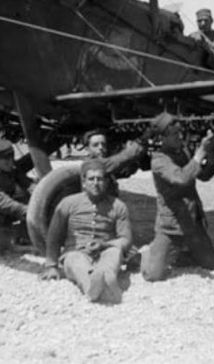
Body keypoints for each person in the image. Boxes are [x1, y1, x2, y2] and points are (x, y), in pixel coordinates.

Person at [140, 112, 214, 281]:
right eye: (175, 134)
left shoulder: (182, 153)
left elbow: (203, 176)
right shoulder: (158, 160)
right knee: (153, 274)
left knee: (211, 264)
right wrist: (200, 152)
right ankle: (149, 252)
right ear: (162, 137)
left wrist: (211, 155)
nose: (180, 136)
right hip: (171, 223)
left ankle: (181, 251)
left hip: (192, 219)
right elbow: (182, 178)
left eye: (180, 132)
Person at [40, 159, 132, 304]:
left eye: (100, 179)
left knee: (114, 253)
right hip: (76, 251)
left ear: (106, 182)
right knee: (75, 261)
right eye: (91, 179)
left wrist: (104, 245)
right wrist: (51, 266)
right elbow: (54, 236)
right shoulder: (68, 204)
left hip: (105, 251)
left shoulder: (118, 206)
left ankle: (106, 277)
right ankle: (93, 286)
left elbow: (126, 239)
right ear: (83, 183)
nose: (96, 183)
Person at [83, 129, 145, 196]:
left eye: (103, 144)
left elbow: (121, 170)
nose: (101, 147)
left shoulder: (104, 164)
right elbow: (119, 160)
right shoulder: (92, 165)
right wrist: (138, 144)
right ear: (87, 149)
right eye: (95, 145)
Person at [0, 139, 33, 244]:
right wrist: (28, 211)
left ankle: (23, 236)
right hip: (4, 208)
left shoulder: (12, 169)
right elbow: (3, 202)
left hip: (7, 212)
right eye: (6, 159)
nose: (10, 162)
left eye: (11, 158)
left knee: (26, 196)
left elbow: (28, 184)